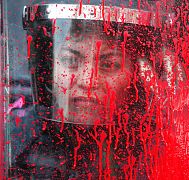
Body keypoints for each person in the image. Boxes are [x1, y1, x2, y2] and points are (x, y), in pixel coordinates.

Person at [11, 1, 175, 179]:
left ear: (138, 74)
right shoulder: (13, 144)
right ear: (48, 68)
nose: (88, 81)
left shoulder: (162, 146)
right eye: (70, 60)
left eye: (109, 64)